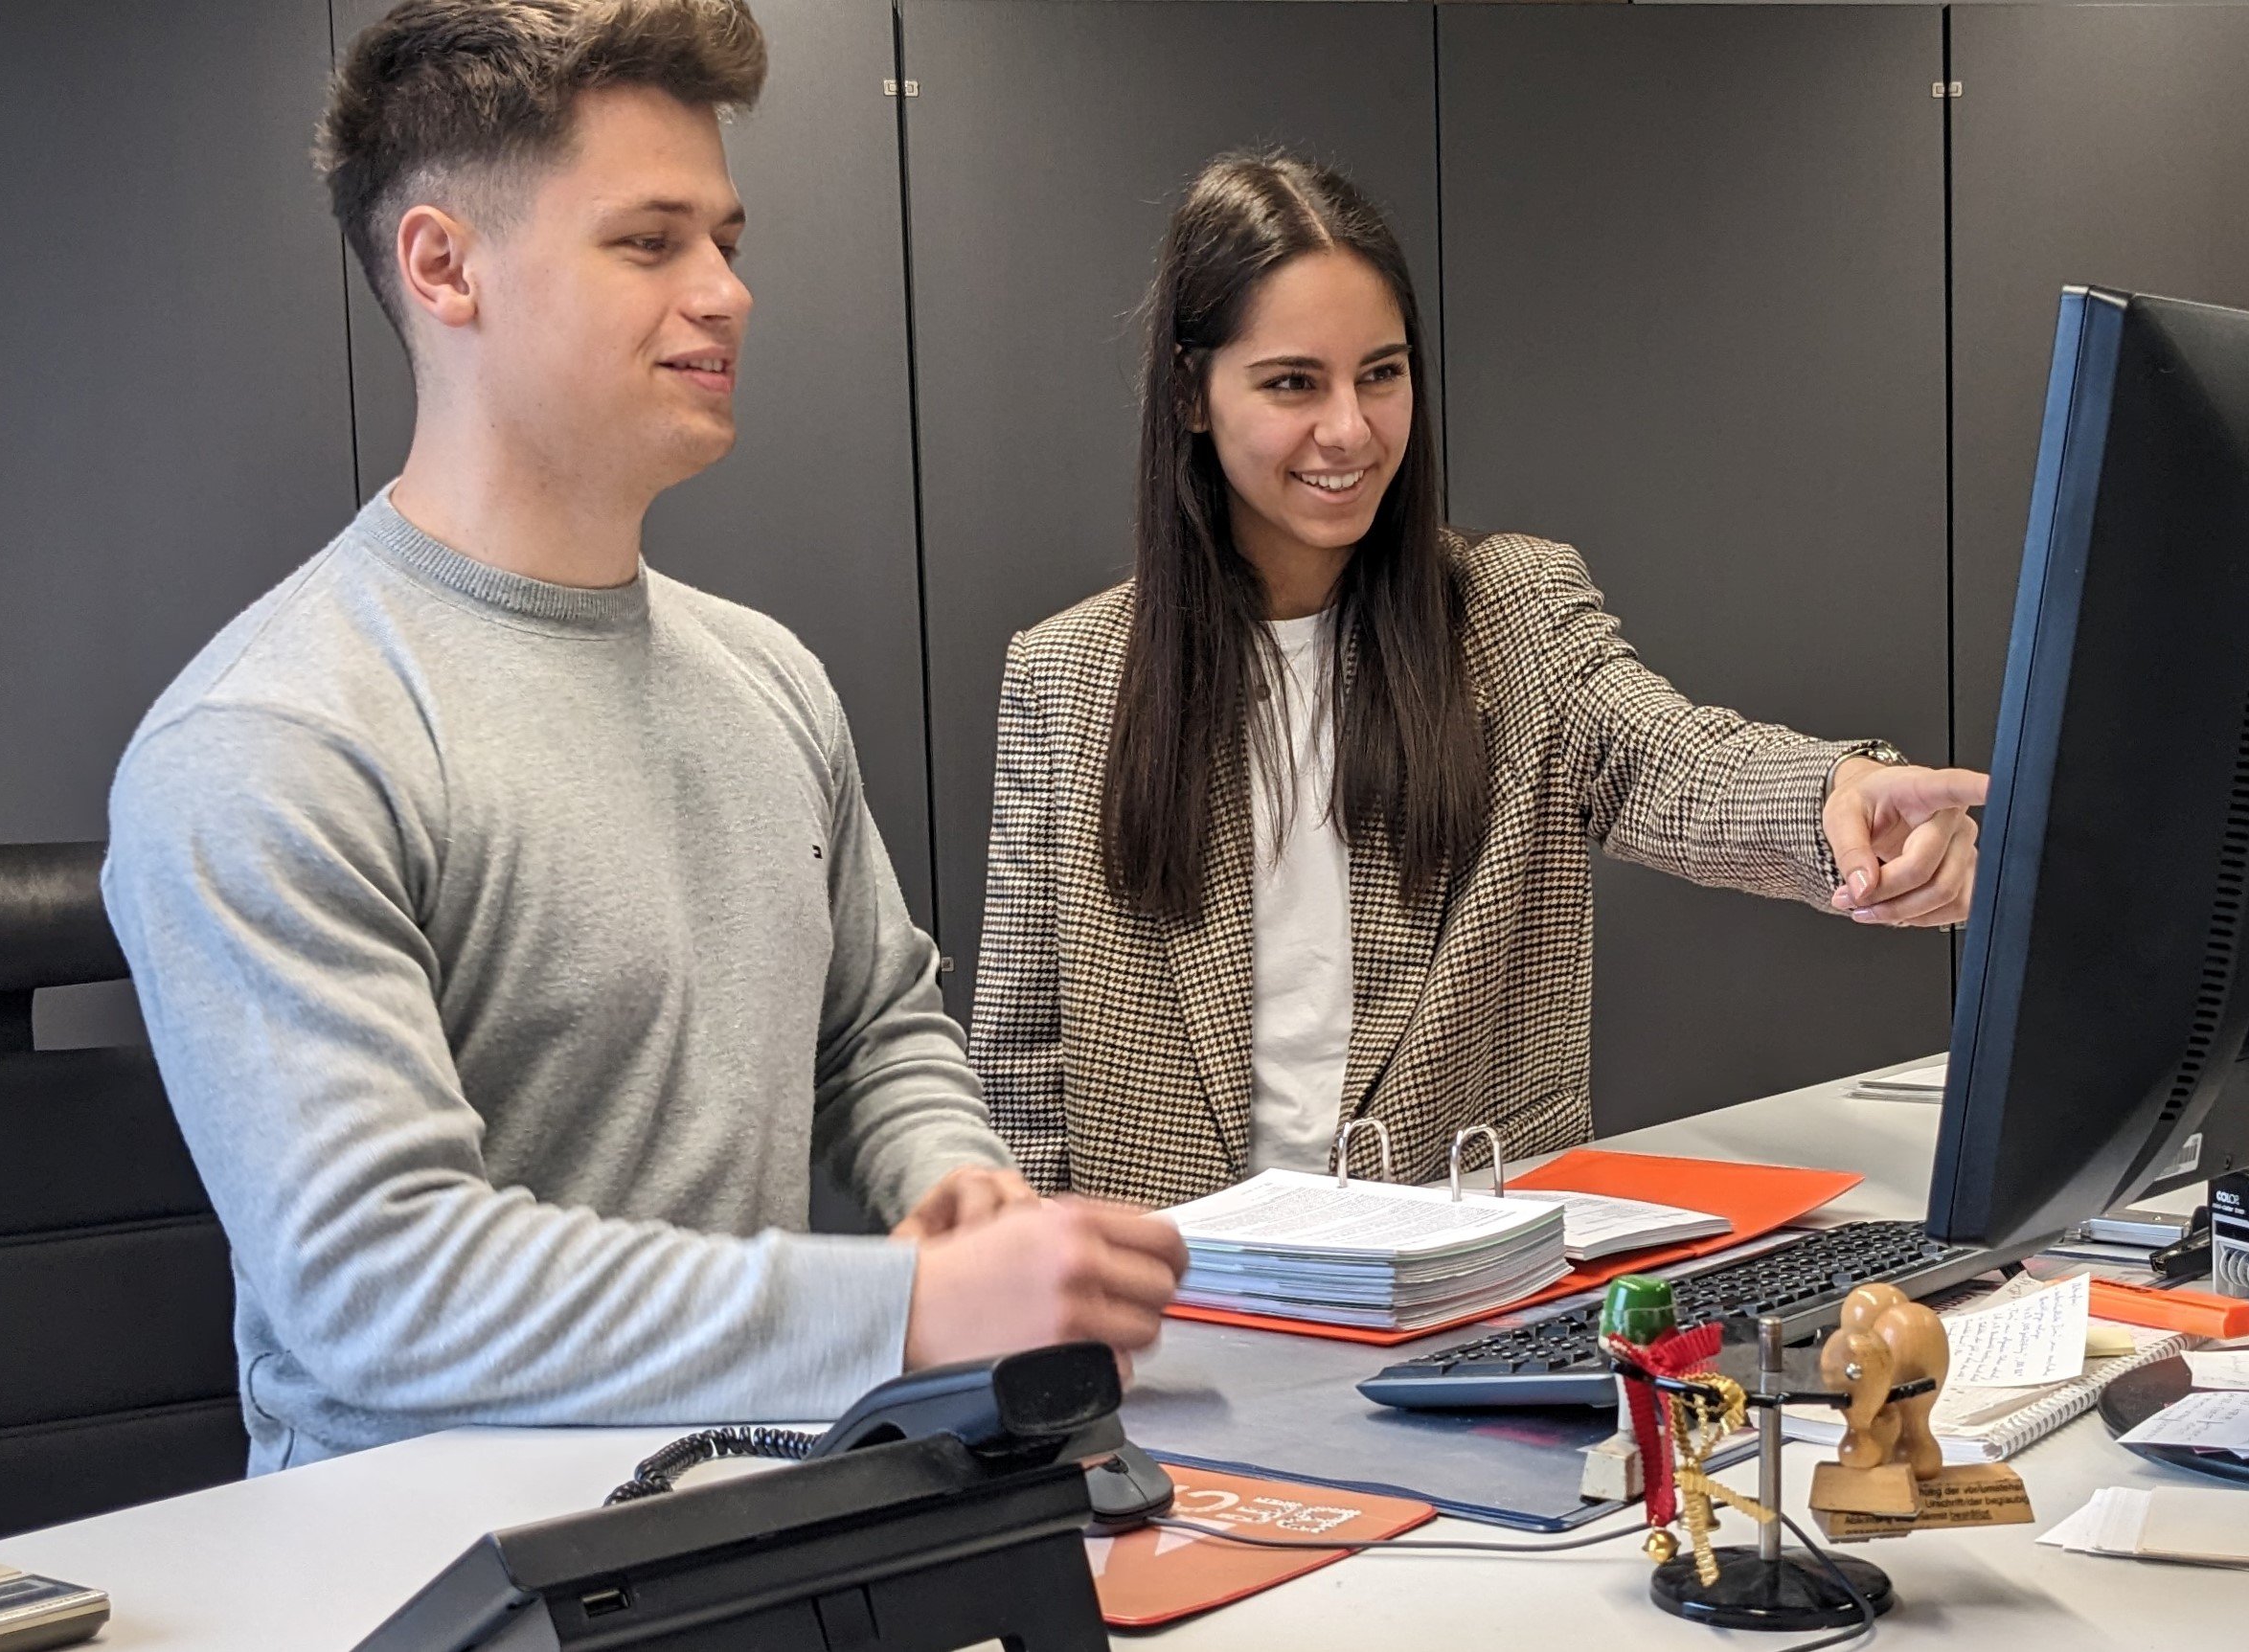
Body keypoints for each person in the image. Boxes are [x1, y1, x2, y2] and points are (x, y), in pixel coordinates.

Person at [102, 0, 1183, 1474]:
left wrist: (953, 1183)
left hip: (756, 1520)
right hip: (431, 1577)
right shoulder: (272, 738)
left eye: (726, 241)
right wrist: (907, 1304)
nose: (725, 292)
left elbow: (876, 1031)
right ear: (443, 265)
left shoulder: (768, 679)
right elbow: (380, 1287)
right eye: (649, 241)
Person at [970, 151, 1988, 1207]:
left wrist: (1837, 795)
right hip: (1178, 1307)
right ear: (1191, 392)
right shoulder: (1069, 675)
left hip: (1467, 1295)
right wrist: (1042, 1338)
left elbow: (1671, 757)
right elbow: (1023, 1064)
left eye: (1381, 372)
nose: (1349, 430)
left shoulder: (1514, 610)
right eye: (1291, 383)